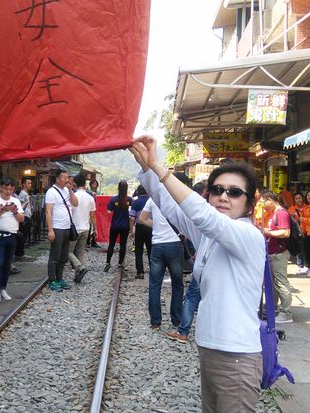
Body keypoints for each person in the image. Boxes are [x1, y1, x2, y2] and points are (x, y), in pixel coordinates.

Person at [130, 136, 265, 413]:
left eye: (234, 192)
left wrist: (160, 167)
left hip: (237, 356)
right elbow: (172, 208)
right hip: (211, 349)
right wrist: (147, 168)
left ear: (250, 203)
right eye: (217, 190)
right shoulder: (210, 237)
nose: (224, 197)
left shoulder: (247, 234)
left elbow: (204, 215)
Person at [139, 177, 184, 329]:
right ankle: (176, 320)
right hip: (174, 244)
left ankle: (155, 322)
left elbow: (142, 219)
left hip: (157, 245)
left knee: (154, 284)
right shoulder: (177, 197)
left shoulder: (153, 199)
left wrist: (157, 226)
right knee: (177, 284)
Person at [166, 181, 207, 343]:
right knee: (197, 296)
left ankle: (183, 331)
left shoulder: (196, 210)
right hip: (203, 261)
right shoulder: (208, 212)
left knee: (192, 297)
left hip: (203, 262)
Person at [260, 190, 293, 324]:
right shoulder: (274, 213)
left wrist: (267, 232)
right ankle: (273, 308)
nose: (263, 205)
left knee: (281, 283)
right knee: (274, 283)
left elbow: (286, 233)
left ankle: (286, 313)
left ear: (270, 200)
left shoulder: (281, 213)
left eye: (263, 202)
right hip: (273, 253)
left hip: (279, 254)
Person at [0, 177, 24, 304]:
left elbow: (21, 219)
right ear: (1, 188)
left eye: (10, 189)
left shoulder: (16, 201)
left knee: (7, 264)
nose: (8, 191)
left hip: (12, 236)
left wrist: (14, 212)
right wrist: (3, 210)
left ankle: (3, 288)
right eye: (6, 188)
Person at [45, 169, 79, 291]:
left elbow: (76, 203)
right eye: (64, 178)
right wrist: (50, 230)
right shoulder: (51, 192)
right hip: (57, 228)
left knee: (63, 256)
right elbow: (48, 211)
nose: (67, 180)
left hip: (67, 228)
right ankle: (52, 280)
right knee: (55, 256)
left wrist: (70, 191)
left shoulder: (66, 190)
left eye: (67, 177)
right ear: (57, 179)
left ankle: (59, 278)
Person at [68, 173, 96, 283]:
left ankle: (80, 267)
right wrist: (95, 229)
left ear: (75, 183)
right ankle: (78, 275)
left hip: (74, 228)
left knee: (67, 251)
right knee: (80, 252)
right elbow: (92, 215)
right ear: (85, 183)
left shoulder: (73, 196)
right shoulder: (90, 198)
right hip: (86, 228)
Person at [104, 180, 132, 272]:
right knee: (123, 244)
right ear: (126, 188)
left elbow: (108, 211)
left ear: (118, 188)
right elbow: (132, 211)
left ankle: (108, 263)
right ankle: (120, 264)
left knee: (111, 244)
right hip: (125, 226)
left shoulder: (113, 199)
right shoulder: (129, 199)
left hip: (115, 225)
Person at [129, 185, 151, 279]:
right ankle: (153, 270)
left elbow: (132, 218)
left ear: (138, 192)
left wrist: (131, 231)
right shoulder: (151, 201)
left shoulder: (136, 202)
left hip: (139, 227)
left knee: (138, 250)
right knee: (151, 249)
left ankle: (140, 272)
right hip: (150, 226)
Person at [288, 193, 307, 275]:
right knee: (300, 249)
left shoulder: (307, 207)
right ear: (294, 200)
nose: (298, 200)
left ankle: (307, 265)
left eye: (299, 198)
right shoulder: (291, 209)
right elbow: (289, 220)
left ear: (303, 199)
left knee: (308, 249)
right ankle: (300, 266)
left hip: (308, 231)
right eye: (296, 198)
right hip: (298, 232)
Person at [15, 177, 33, 257]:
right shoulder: (23, 193)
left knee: (25, 234)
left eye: (30, 183)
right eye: (28, 183)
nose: (30, 185)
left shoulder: (26, 193)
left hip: (27, 216)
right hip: (24, 216)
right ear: (23, 184)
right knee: (23, 234)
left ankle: (20, 250)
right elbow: (20, 205)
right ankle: (19, 251)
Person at [87, 179, 101, 248]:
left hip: (97, 211)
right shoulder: (88, 192)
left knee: (96, 226)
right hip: (90, 211)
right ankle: (87, 241)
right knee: (89, 225)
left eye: (95, 184)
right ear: (90, 185)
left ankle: (94, 241)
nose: (94, 185)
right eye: (93, 184)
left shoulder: (98, 192)